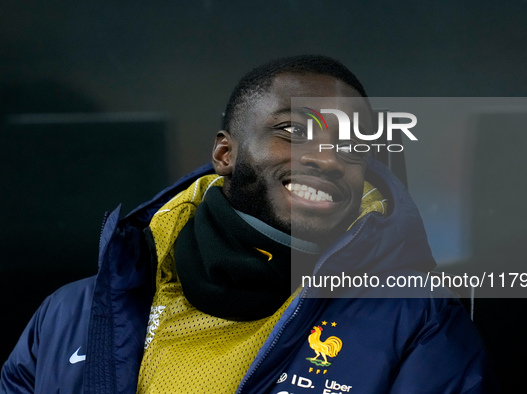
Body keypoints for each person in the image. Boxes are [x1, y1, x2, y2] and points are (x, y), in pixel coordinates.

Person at [1, 55, 497, 393]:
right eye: (293, 130)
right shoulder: (68, 315)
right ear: (225, 153)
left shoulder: (419, 325)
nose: (325, 158)